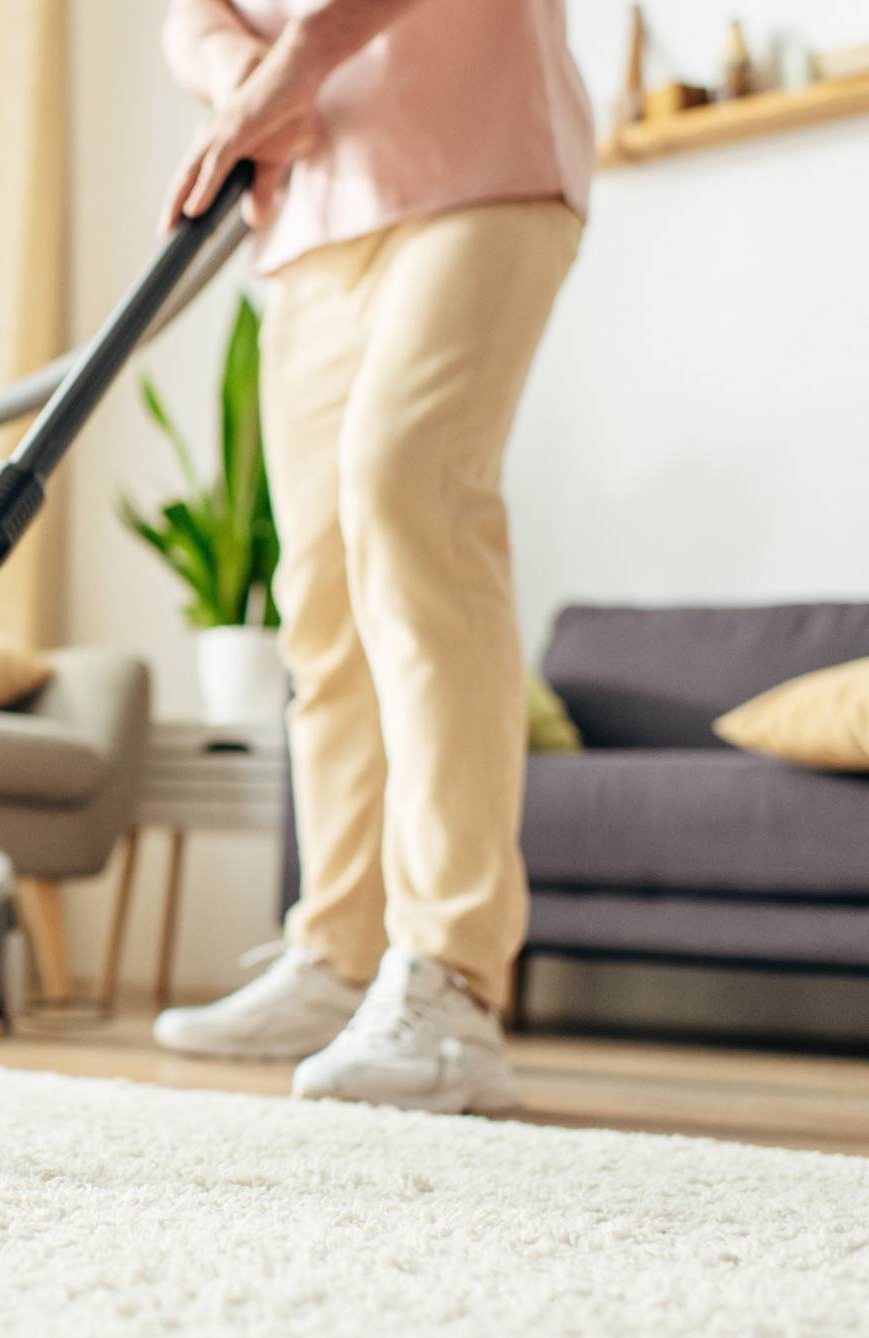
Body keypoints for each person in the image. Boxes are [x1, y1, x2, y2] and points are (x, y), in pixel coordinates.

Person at [149, 0, 594, 1113]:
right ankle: (336, 954)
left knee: (411, 499)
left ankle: (451, 978)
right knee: (320, 594)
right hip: (307, 219)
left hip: (479, 159)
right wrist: (236, 68)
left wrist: (298, 57)